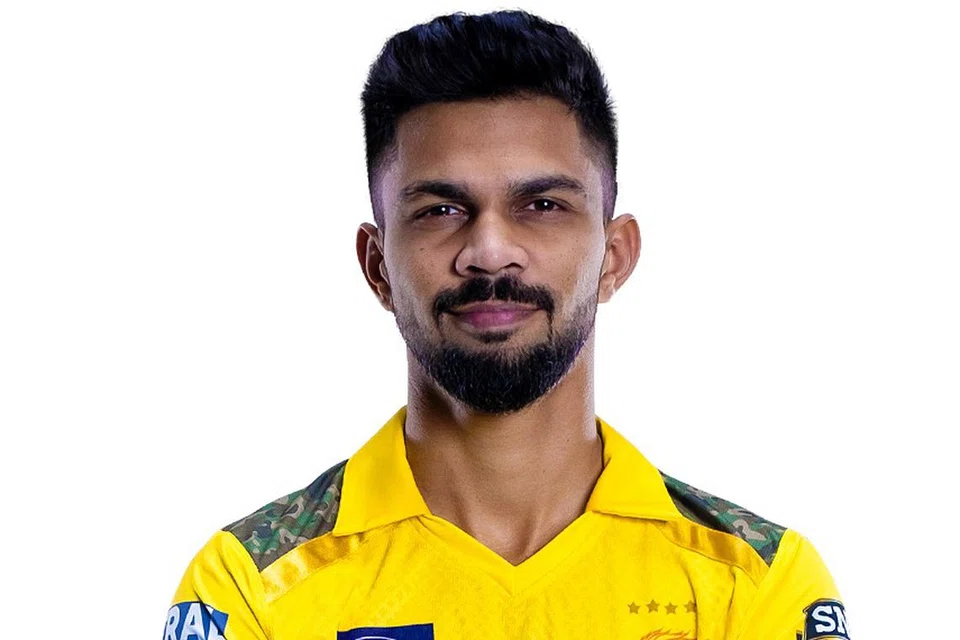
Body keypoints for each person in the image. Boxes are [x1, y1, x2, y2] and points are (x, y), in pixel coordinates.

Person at [164, 10, 848, 640]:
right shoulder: (250, 589)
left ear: (613, 258)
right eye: (440, 210)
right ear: (378, 267)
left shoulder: (754, 583)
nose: (490, 251)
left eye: (542, 205)